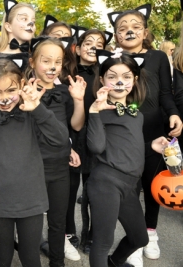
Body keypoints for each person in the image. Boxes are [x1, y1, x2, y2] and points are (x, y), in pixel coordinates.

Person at [0, 55, 69, 267]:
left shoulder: (32, 112)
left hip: (31, 199)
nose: (5, 98)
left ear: (22, 85)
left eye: (10, 90)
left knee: (30, 257)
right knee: (2, 256)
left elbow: (61, 141)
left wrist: (38, 109)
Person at [108, 4, 182, 266]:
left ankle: (150, 232)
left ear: (145, 31)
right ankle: (135, 238)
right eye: (122, 28)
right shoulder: (111, 59)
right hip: (125, 134)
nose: (129, 31)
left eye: (135, 27)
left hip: (154, 131)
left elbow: (165, 93)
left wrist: (173, 113)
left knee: (153, 186)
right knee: (131, 187)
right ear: (116, 34)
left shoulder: (159, 58)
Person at [87, 48, 167, 267]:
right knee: (103, 242)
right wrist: (94, 112)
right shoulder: (100, 111)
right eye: (112, 77)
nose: (119, 82)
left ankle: (114, 263)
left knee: (140, 238)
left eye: (126, 77)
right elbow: (95, 147)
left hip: (129, 186)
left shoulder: (136, 113)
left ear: (135, 79)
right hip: (106, 182)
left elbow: (128, 147)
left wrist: (151, 146)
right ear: (102, 80)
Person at [28, 37, 86, 266]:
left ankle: (57, 262)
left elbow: (76, 125)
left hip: (60, 165)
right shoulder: (25, 91)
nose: (53, 66)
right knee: (30, 222)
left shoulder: (65, 92)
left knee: (58, 221)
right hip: (32, 165)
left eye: (58, 61)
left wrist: (79, 100)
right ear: (32, 62)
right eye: (46, 61)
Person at [67, 28, 110, 255]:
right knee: (70, 189)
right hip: (72, 136)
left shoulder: (105, 73)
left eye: (98, 43)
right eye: (88, 42)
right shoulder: (68, 70)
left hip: (95, 136)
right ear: (79, 46)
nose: (93, 46)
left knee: (94, 191)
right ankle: (69, 232)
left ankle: (91, 234)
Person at [41, 15, 78, 84]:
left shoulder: (72, 67)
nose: (60, 41)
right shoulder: (31, 59)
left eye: (66, 38)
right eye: (56, 36)